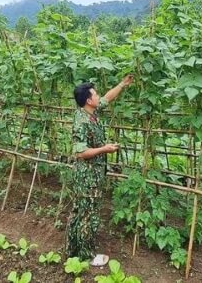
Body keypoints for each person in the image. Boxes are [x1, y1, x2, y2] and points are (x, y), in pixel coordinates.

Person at [66, 75, 134, 266]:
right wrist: (105, 149)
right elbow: (80, 152)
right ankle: (86, 257)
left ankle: (72, 250)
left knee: (80, 211)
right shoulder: (82, 121)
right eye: (95, 94)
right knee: (88, 215)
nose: (99, 97)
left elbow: (107, 99)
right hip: (87, 177)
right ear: (88, 100)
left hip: (91, 174)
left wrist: (122, 84)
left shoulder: (90, 112)